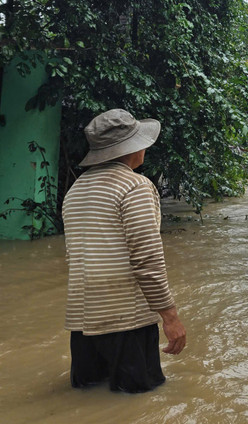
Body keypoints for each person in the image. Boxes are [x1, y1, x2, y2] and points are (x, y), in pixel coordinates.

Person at [62, 109, 186, 393]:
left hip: (82, 321)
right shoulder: (135, 186)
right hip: (127, 320)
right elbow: (147, 259)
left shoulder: (76, 190)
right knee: (139, 401)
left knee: (88, 397)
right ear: (133, 148)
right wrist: (170, 316)